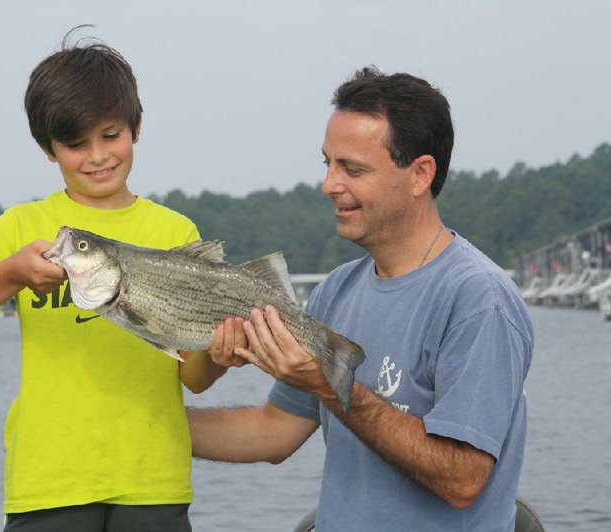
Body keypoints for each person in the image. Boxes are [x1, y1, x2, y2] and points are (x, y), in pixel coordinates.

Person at [192, 67, 533, 531]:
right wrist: (148, 427)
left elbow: (462, 478)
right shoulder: (336, 290)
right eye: (328, 163)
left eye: (352, 168)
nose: (329, 184)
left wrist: (331, 384)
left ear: (419, 175)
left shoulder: (478, 299)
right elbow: (273, 431)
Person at [0, 28, 228, 532]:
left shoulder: (175, 232)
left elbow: (192, 377)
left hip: (153, 481)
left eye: (111, 136)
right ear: (47, 148)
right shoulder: (21, 226)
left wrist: (220, 351)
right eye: (76, 144)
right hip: (47, 483)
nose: (98, 156)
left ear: (137, 127)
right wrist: (12, 272)